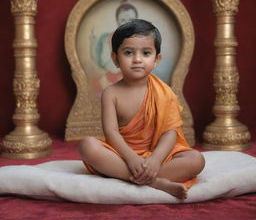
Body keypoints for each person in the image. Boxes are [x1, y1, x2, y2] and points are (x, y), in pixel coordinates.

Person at [79, 19, 205, 199]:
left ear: (156, 59)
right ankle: (155, 182)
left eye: (146, 53)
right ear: (115, 59)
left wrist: (154, 160)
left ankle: (130, 175)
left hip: (158, 155)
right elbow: (111, 133)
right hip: (123, 155)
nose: (137, 59)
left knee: (196, 160)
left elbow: (170, 133)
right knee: (87, 145)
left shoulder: (164, 92)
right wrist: (131, 158)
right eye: (128, 52)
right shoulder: (111, 93)